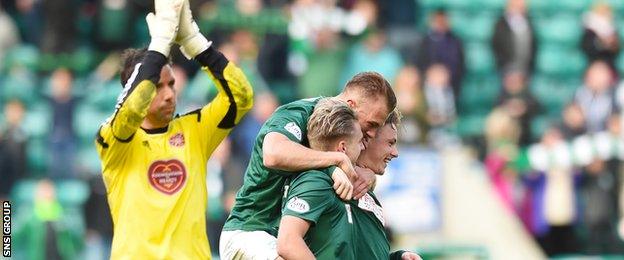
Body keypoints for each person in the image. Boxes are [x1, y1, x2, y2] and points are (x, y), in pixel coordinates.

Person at [94, 0, 253, 258]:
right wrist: (160, 42)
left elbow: (241, 96)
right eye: (157, 86)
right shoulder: (113, 140)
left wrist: (194, 41)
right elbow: (131, 109)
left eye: (172, 84)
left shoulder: (195, 130)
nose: (168, 94)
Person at [220, 71, 396, 259]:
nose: (372, 133)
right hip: (253, 231)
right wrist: (335, 160)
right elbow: (272, 154)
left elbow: (356, 173)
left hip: (288, 238)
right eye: (372, 124)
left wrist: (368, 175)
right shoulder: (298, 113)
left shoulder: (350, 137)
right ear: (351, 105)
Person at [277, 105, 420, 259]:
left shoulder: (365, 193)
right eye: (390, 143)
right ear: (366, 139)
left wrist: (398, 257)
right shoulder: (319, 181)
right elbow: (288, 242)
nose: (395, 152)